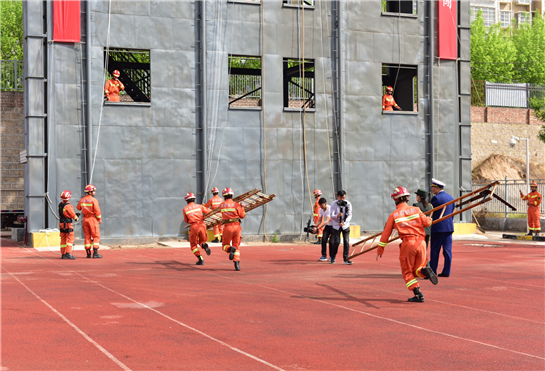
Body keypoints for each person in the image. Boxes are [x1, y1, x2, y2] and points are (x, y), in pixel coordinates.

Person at [377, 186, 438, 303]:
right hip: (421, 242)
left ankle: (417, 293)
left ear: (395, 199)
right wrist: (429, 220)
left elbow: (386, 234)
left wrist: (380, 249)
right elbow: (426, 222)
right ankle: (425, 272)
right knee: (417, 269)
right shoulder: (416, 210)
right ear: (407, 198)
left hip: (408, 243)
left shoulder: (394, 215)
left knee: (407, 271)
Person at [429, 178, 454, 277]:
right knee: (447, 250)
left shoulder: (436, 199)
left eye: (433, 188)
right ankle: (446, 271)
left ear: (437, 188)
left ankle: (433, 271)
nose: (432, 190)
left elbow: (431, 212)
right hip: (448, 227)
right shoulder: (451, 197)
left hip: (438, 228)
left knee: (435, 250)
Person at [219, 188, 246, 271]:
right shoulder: (237, 205)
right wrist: (242, 207)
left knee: (225, 245)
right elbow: (242, 216)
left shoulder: (222, 205)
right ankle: (237, 265)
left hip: (227, 227)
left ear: (224, 196)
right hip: (237, 227)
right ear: (232, 195)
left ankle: (230, 249)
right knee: (236, 246)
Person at [183, 192, 212, 265]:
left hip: (194, 226)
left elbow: (186, 221)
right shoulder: (199, 206)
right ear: (194, 199)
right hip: (202, 225)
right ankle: (204, 245)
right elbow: (210, 212)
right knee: (202, 241)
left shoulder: (185, 209)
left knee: (193, 245)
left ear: (186, 201)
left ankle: (200, 258)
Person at [77, 184, 102, 259]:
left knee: (87, 237)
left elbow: (78, 208)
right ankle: (95, 253)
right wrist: (99, 219)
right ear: (90, 192)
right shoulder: (94, 200)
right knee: (96, 236)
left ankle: (88, 253)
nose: (94, 192)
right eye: (93, 191)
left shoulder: (82, 200)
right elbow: (97, 211)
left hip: (85, 220)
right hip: (92, 219)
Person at [329, 190, 353, 265]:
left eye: (344, 197)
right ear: (337, 197)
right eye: (341, 197)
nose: (343, 199)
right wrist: (337, 216)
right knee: (336, 242)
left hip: (345, 225)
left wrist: (344, 222)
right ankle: (333, 257)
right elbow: (331, 215)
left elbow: (349, 214)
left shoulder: (348, 204)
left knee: (346, 242)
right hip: (336, 226)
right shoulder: (333, 204)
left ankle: (346, 259)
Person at [59, 190, 78, 260]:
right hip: (68, 224)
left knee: (63, 239)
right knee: (70, 238)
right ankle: (68, 253)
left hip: (61, 223)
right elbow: (72, 214)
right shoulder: (68, 206)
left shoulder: (60, 205)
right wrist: (76, 218)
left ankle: (63, 254)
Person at [313, 197, 334, 262]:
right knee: (324, 239)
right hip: (327, 226)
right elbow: (319, 221)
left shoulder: (329, 208)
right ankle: (324, 256)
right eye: (320, 206)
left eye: (322, 205)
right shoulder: (320, 209)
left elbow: (326, 221)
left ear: (325, 203)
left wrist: (317, 228)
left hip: (334, 226)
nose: (321, 207)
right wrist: (314, 226)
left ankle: (331, 256)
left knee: (331, 242)